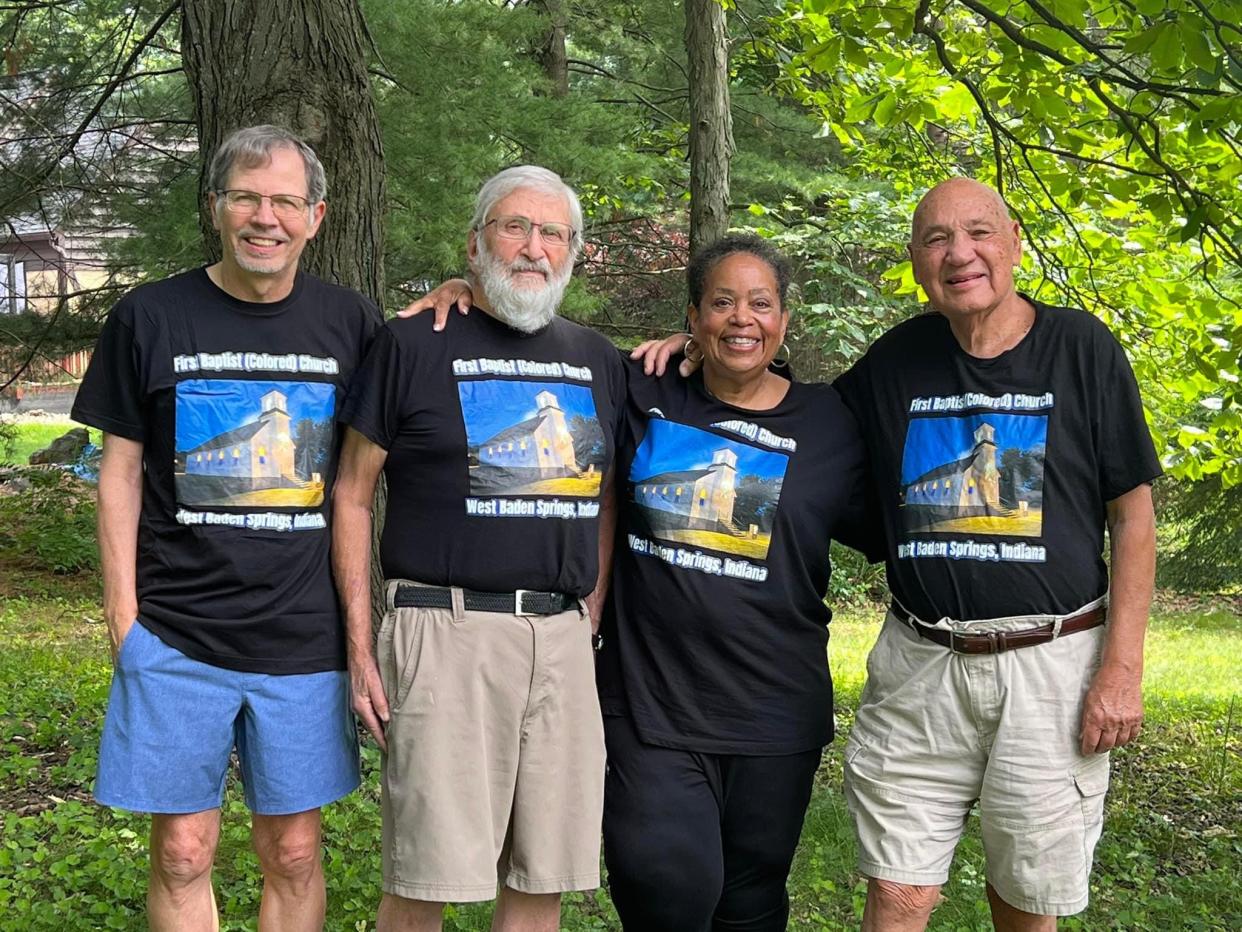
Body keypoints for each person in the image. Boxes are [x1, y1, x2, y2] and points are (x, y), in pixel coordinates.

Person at [637, 178, 1160, 931]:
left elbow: (1132, 515)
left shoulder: (1081, 349)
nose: (961, 255)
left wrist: (1122, 667)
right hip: (923, 663)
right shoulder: (898, 360)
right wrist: (701, 353)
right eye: (937, 240)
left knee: (1025, 899)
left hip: (1051, 664)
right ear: (916, 261)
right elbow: (790, 417)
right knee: (899, 890)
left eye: (978, 233)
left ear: (1013, 239)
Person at [405, 233, 881, 931]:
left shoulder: (831, 423)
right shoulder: (641, 388)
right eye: (721, 303)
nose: (741, 318)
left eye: (760, 304)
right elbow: (535, 350)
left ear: (783, 320)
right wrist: (468, 294)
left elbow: (892, 527)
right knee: (666, 889)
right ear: (692, 316)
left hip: (775, 712)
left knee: (750, 904)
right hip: (649, 703)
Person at [71, 125, 380, 930]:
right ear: (215, 207)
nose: (264, 217)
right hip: (175, 632)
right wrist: (123, 618)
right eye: (246, 197)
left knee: (295, 853)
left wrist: (455, 292)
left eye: (284, 200)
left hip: (301, 637)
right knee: (181, 851)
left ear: (316, 216)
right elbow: (120, 475)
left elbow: (367, 476)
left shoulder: (354, 325)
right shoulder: (149, 317)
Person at [332, 165, 626, 932]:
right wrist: (361, 647)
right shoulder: (410, 344)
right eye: (514, 227)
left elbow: (605, 492)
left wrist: (589, 608)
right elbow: (353, 495)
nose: (534, 248)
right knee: (425, 879)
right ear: (475, 244)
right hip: (444, 632)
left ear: (574, 252)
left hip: (561, 643)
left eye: (553, 233)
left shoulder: (601, 360)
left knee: (542, 876)